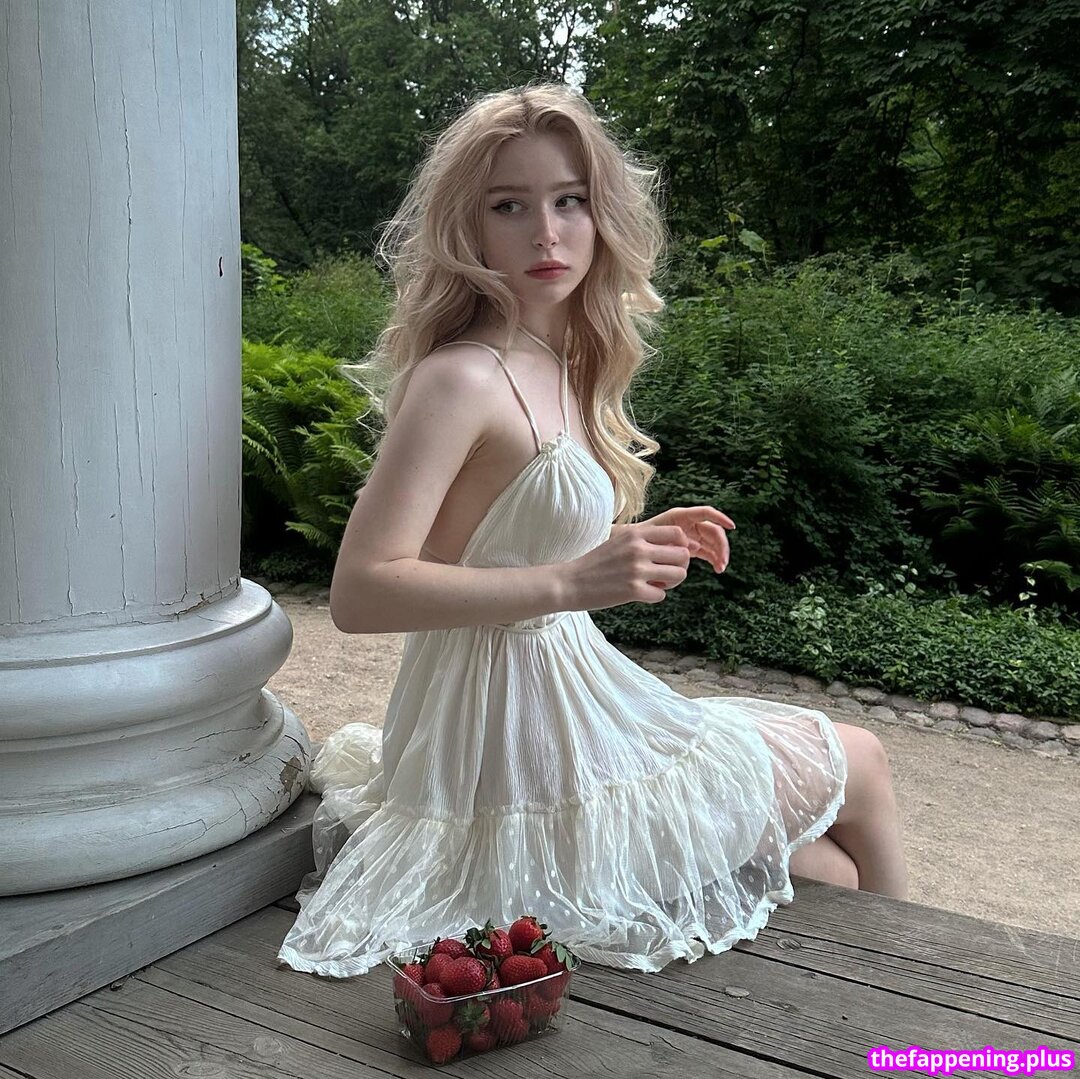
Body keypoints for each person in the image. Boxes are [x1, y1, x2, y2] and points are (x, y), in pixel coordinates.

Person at [277, 82, 908, 978]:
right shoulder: (463, 377)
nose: (546, 233)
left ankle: (904, 1004)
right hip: (506, 738)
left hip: (569, 701)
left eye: (569, 200)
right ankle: (927, 1013)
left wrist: (627, 540)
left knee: (828, 871)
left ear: (600, 213)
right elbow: (361, 591)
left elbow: (502, 531)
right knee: (862, 759)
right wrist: (574, 581)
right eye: (510, 206)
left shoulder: (562, 357)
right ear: (468, 226)